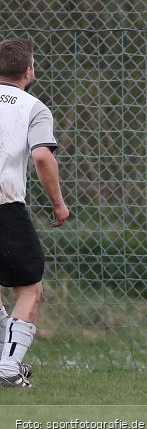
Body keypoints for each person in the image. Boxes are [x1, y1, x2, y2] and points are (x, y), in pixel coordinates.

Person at [0, 38, 70, 387]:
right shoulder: (34, 107)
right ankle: (9, 369)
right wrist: (58, 203)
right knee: (30, 289)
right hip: (5, 204)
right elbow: (42, 156)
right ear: (29, 71)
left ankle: (4, 355)